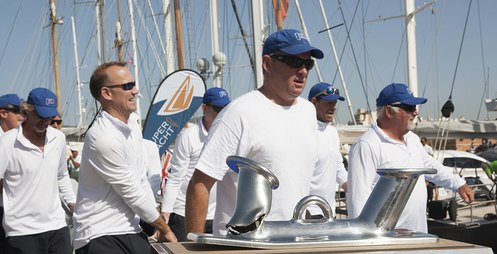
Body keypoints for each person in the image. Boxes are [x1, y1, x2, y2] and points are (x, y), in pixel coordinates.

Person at [185, 29, 323, 235]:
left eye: (308, 64)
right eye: (294, 62)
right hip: (243, 248)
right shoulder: (239, 113)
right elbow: (200, 184)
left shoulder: (308, 111)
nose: (303, 71)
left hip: (294, 243)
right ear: (267, 64)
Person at [72, 61, 177, 254]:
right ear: (106, 93)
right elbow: (131, 192)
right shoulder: (102, 136)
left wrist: (155, 222)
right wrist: (165, 229)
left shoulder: (132, 126)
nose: (136, 90)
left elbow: (141, 181)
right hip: (100, 235)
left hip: (130, 230)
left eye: (134, 84)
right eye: (127, 86)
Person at [347, 83, 474, 233]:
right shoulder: (367, 145)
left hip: (417, 235)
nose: (416, 112)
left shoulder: (412, 139)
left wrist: (458, 183)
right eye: (410, 108)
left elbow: (430, 165)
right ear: (389, 111)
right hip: (388, 241)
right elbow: (358, 201)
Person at [0, 88, 76, 254]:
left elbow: (62, 175)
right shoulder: (8, 143)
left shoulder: (57, 138)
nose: (45, 121)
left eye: (50, 116)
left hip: (56, 225)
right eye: (40, 115)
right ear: (27, 111)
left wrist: (72, 203)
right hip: (22, 229)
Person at [161, 87, 230, 241]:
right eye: (219, 109)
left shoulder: (231, 135)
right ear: (204, 108)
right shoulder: (188, 136)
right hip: (186, 212)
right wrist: (166, 211)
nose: (224, 113)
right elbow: (176, 176)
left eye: (227, 108)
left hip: (219, 215)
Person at [0, 94, 24, 254]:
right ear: (3, 113)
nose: (21, 115)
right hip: (4, 211)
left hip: (20, 211)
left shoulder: (20, 138)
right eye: (17, 110)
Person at [307, 82, 348, 218]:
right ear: (314, 102)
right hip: (309, 213)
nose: (333, 107)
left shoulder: (332, 132)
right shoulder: (304, 133)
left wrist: (355, 190)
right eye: (328, 103)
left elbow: (338, 168)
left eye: (335, 103)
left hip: (330, 212)